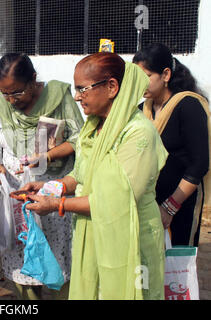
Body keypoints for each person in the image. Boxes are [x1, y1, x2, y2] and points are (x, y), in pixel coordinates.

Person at [18, 52, 168, 300]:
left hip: (130, 236)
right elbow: (80, 175)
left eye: (82, 89)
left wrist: (57, 204)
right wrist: (50, 188)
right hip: (94, 232)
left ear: (111, 87)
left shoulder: (137, 133)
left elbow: (114, 202)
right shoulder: (95, 127)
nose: (77, 97)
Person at [0, 53, 84, 299]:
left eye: (16, 93)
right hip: (17, 197)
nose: (10, 100)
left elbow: (80, 140)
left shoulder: (59, 98)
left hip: (52, 191)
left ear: (33, 81)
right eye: (4, 93)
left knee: (56, 255)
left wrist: (48, 156)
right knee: (22, 256)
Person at [133, 43, 210, 247]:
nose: (140, 84)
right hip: (150, 203)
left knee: (178, 264)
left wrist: (170, 207)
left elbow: (200, 163)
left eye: (146, 76)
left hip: (182, 201)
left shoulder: (188, 106)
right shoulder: (141, 110)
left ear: (165, 75)